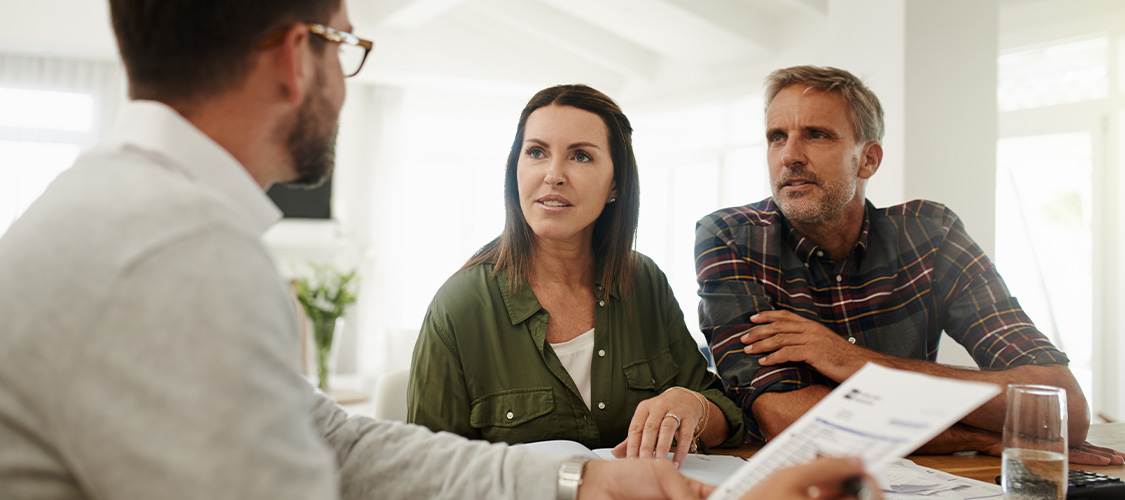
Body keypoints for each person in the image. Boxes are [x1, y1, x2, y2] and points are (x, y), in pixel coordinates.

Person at [0, 0, 879, 498]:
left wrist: (586, 485)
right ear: (295, 60)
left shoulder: (128, 215)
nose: (347, 85)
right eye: (347, 47)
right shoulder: (177, 253)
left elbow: (340, 443)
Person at [694, 65, 1125, 466]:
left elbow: (1061, 405)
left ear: (869, 159)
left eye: (817, 134)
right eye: (776, 136)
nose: (789, 155)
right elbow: (787, 420)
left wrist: (849, 359)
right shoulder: (732, 237)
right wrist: (974, 436)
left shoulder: (930, 233)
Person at [407, 84, 744, 468]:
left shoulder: (644, 282)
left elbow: (725, 418)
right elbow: (425, 471)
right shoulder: (459, 306)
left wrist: (693, 405)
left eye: (580, 156)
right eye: (536, 152)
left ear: (615, 183)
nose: (553, 175)